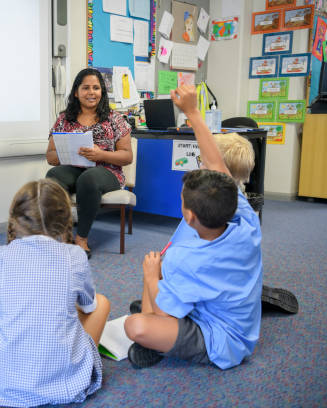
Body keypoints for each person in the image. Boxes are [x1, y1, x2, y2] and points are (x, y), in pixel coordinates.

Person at [124, 85, 263, 370]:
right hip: (230, 314)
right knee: (159, 269)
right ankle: (163, 313)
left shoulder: (185, 259)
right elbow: (215, 161)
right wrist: (192, 112)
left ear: (189, 216)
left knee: (136, 324)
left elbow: (161, 309)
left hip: (223, 340)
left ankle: (158, 344)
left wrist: (152, 279)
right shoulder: (245, 218)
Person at [0, 179, 111, 407]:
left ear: (15, 219)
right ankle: (77, 363)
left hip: (8, 389)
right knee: (102, 303)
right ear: (65, 218)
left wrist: (8, 317)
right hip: (70, 385)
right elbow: (89, 307)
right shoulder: (75, 255)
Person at [131, 132, 298, 314]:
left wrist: (155, 281)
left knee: (157, 279)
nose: (199, 165)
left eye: (204, 162)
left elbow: (191, 264)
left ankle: (163, 305)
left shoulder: (208, 218)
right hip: (228, 278)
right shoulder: (241, 208)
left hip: (207, 287)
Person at [46, 68, 133, 258]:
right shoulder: (63, 119)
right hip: (74, 167)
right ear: (76, 92)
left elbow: (127, 156)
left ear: (102, 92)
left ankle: (81, 239)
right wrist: (68, 153)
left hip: (107, 171)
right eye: (86, 88)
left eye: (96, 88)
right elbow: (50, 157)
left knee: (89, 178)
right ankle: (63, 234)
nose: (91, 92)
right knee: (53, 176)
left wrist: (100, 154)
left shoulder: (114, 118)